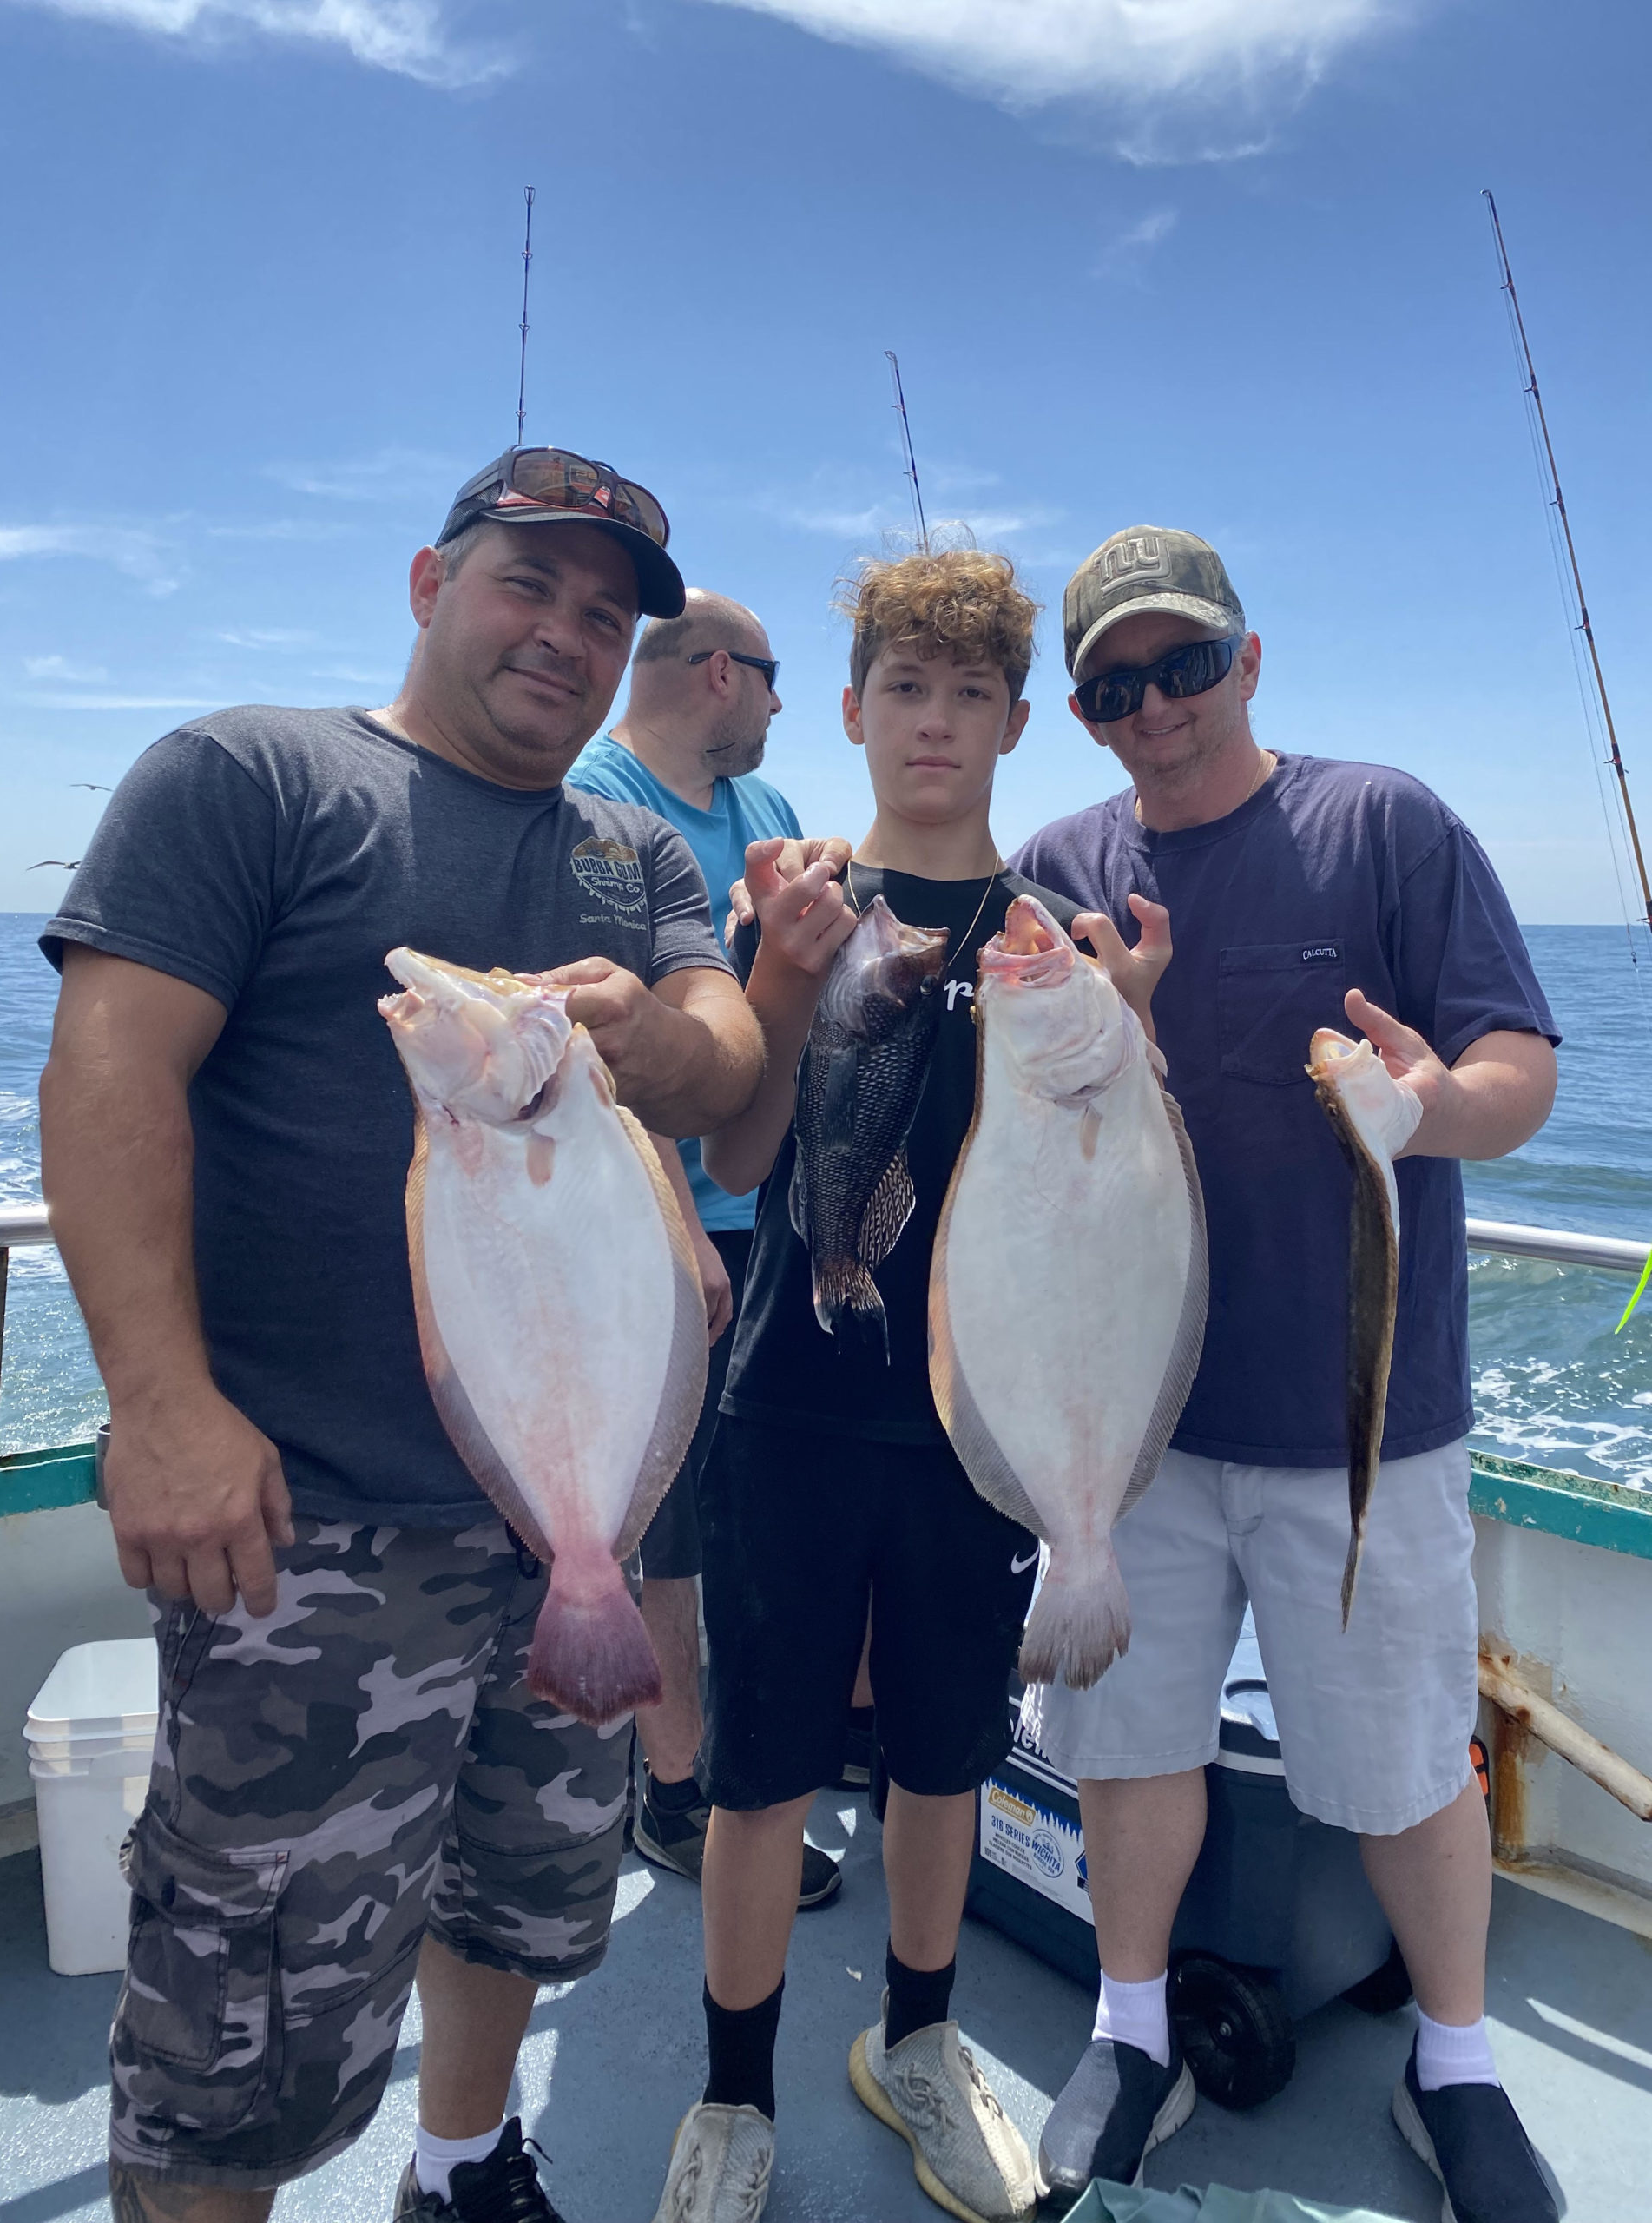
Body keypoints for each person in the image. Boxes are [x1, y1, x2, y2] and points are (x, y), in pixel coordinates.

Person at [38, 445, 765, 2223]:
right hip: (308, 1515)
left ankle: (462, 2159)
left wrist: (652, 1044)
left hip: (565, 1508)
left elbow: (728, 1054)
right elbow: (111, 1069)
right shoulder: (254, 775)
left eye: (606, 616)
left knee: (516, 1893)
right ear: (432, 586)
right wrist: (161, 1406)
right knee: (245, 2010)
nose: (565, 634)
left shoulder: (631, 843)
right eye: (528, 584)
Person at [1010, 527, 1561, 2223]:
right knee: (1126, 1738)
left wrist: (1430, 1110)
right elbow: (1030, 1120)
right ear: (1087, 709)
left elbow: (1517, 1064)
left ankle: (1456, 2058)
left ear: (1250, 660)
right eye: (1115, 685)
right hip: (1131, 1422)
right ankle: (1129, 2022)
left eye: (1184, 666)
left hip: (1361, 1416)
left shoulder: (1381, 821)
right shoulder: (1058, 864)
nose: (1155, 706)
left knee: (1405, 1755)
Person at [648, 547, 1157, 2223]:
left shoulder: (1053, 938)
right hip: (787, 1399)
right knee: (760, 1762)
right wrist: (782, 976)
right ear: (853, 710)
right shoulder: (784, 898)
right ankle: (732, 2100)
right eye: (905, 691)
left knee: (947, 1751)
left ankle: (920, 2046)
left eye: (971, 696)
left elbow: (1112, 1201)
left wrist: (1127, 1033)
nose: (935, 725)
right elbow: (737, 1146)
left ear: (1021, 723)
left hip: (985, 1424)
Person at [569, 592, 839, 1910]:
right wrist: (677, 1232)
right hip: (652, 1246)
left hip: (776, 1222)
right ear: (724, 673)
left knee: (758, 1516)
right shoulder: (589, 807)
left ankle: (754, 1762)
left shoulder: (771, 815)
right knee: (664, 1536)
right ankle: (672, 1796)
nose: (784, 711)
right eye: (777, 684)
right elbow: (588, 1072)